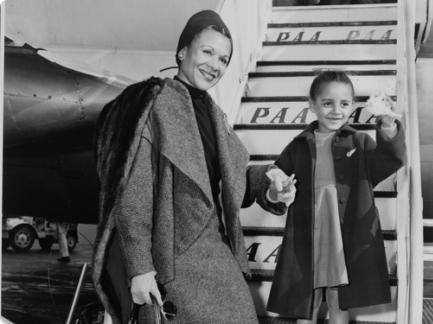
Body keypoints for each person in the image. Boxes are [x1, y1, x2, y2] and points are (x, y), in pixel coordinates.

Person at [92, 10, 294, 324]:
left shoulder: (215, 115)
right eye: (207, 52)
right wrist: (140, 267)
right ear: (183, 51)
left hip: (217, 251)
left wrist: (268, 183)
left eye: (224, 59)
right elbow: (134, 193)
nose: (215, 65)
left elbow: (232, 181)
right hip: (171, 258)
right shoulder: (153, 105)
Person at [266, 71, 407, 324]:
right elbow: (276, 177)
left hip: (344, 234)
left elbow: (390, 161)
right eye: (327, 103)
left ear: (352, 106)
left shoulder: (360, 141)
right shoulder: (298, 145)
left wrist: (387, 126)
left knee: (338, 298)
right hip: (308, 232)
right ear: (312, 105)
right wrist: (278, 183)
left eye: (344, 104)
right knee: (305, 299)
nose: (336, 110)